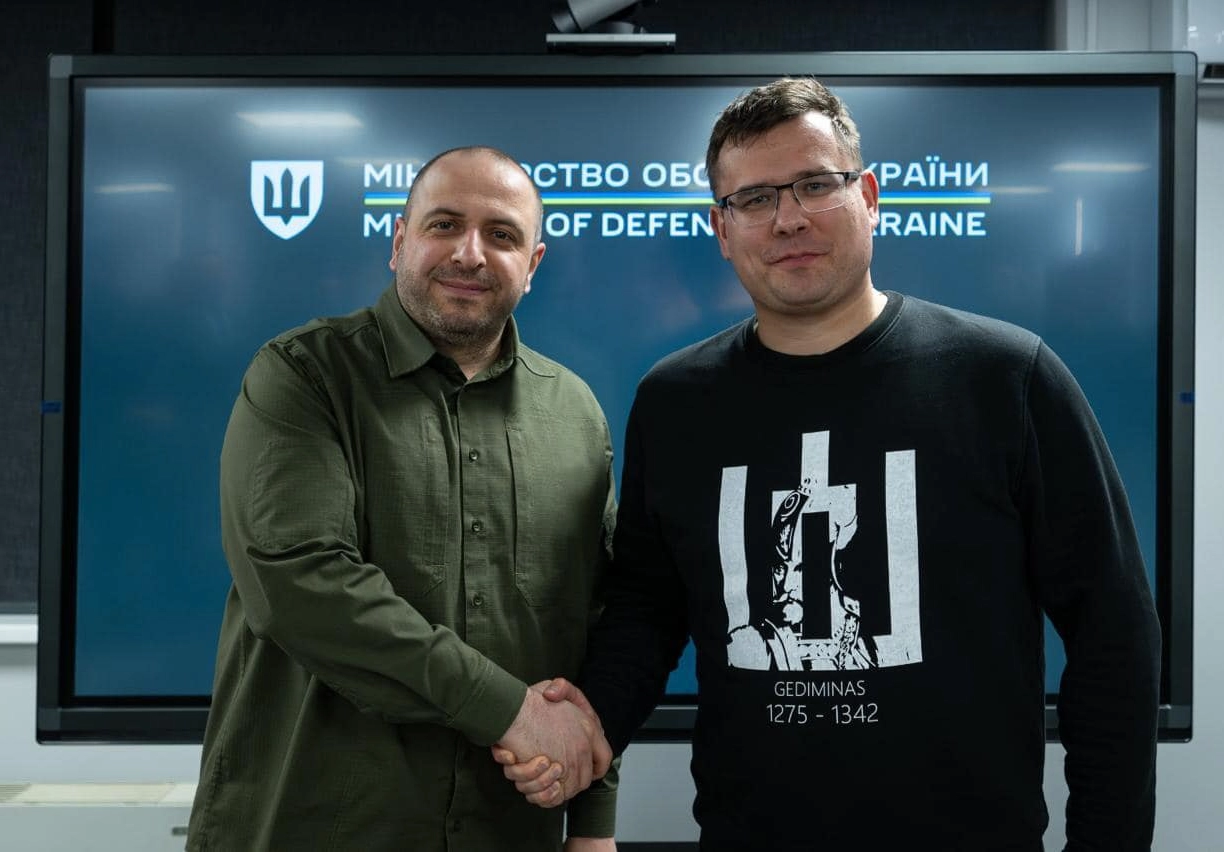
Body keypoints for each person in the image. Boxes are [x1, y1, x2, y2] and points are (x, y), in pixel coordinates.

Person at [498, 79, 1161, 850]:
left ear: (868, 197)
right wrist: (589, 721)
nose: (788, 218)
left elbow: (1113, 631)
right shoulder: (675, 402)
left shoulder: (1006, 378)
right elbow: (649, 607)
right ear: (722, 229)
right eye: (754, 199)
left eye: (816, 184)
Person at [186, 145, 617, 852]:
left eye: (501, 235)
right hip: (310, 827)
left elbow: (597, 620)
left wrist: (594, 820)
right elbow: (301, 581)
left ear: (533, 264)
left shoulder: (574, 412)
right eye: (444, 225)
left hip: (508, 831)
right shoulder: (303, 375)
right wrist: (509, 710)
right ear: (398, 243)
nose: (470, 254)